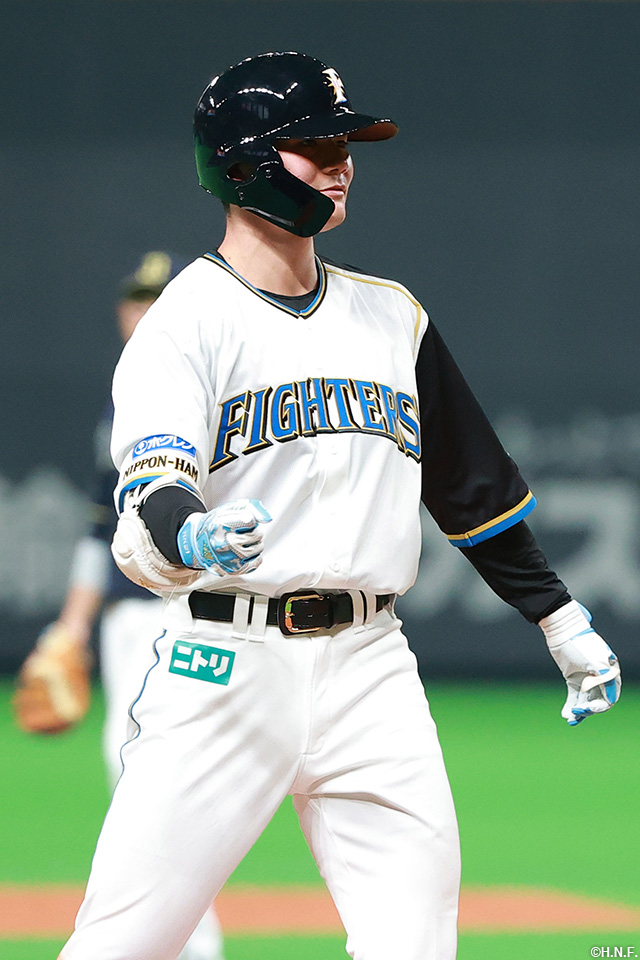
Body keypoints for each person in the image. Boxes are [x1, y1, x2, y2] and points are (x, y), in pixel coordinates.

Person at [58, 52, 621, 960]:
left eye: (344, 145)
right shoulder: (185, 321)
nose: (341, 163)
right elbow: (154, 482)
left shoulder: (393, 316)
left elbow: (471, 488)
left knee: (415, 943)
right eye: (315, 146)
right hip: (228, 662)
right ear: (243, 164)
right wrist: (190, 531)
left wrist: (558, 619)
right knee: (126, 943)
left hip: (372, 665)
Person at [13, 252, 225, 960]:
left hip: (182, 612)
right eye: (137, 300)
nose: (144, 312)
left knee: (157, 780)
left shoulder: (204, 388)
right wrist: (71, 628)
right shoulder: (126, 399)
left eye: (158, 300)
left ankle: (187, 945)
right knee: (139, 774)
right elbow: (99, 528)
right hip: (129, 620)